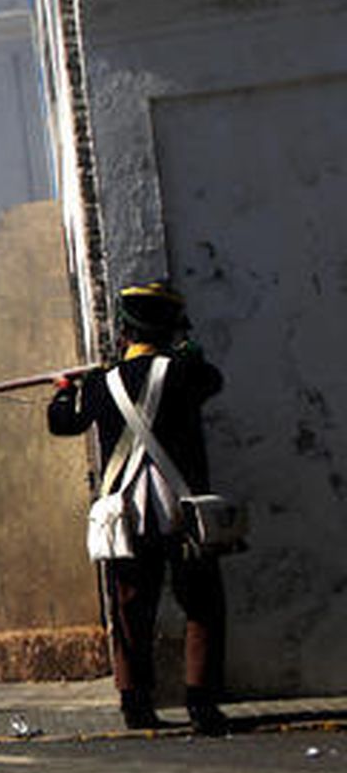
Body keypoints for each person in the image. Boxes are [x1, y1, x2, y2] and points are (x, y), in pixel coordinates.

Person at [48, 281, 229, 734]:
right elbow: (213, 379)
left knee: (131, 609)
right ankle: (203, 706)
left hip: (126, 515)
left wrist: (64, 389)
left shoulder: (98, 385)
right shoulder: (187, 373)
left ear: (125, 330)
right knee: (203, 606)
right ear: (171, 329)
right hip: (183, 512)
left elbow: (62, 423)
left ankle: (135, 704)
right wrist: (190, 349)